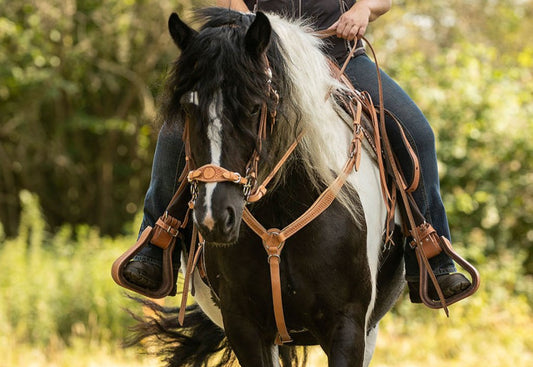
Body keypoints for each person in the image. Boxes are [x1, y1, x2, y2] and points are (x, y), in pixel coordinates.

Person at [122, 0, 471, 302]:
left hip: (341, 54)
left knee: (417, 133)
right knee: (176, 129)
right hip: (259, 57)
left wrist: (363, 8)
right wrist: (250, 25)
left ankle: (431, 254)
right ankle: (157, 240)